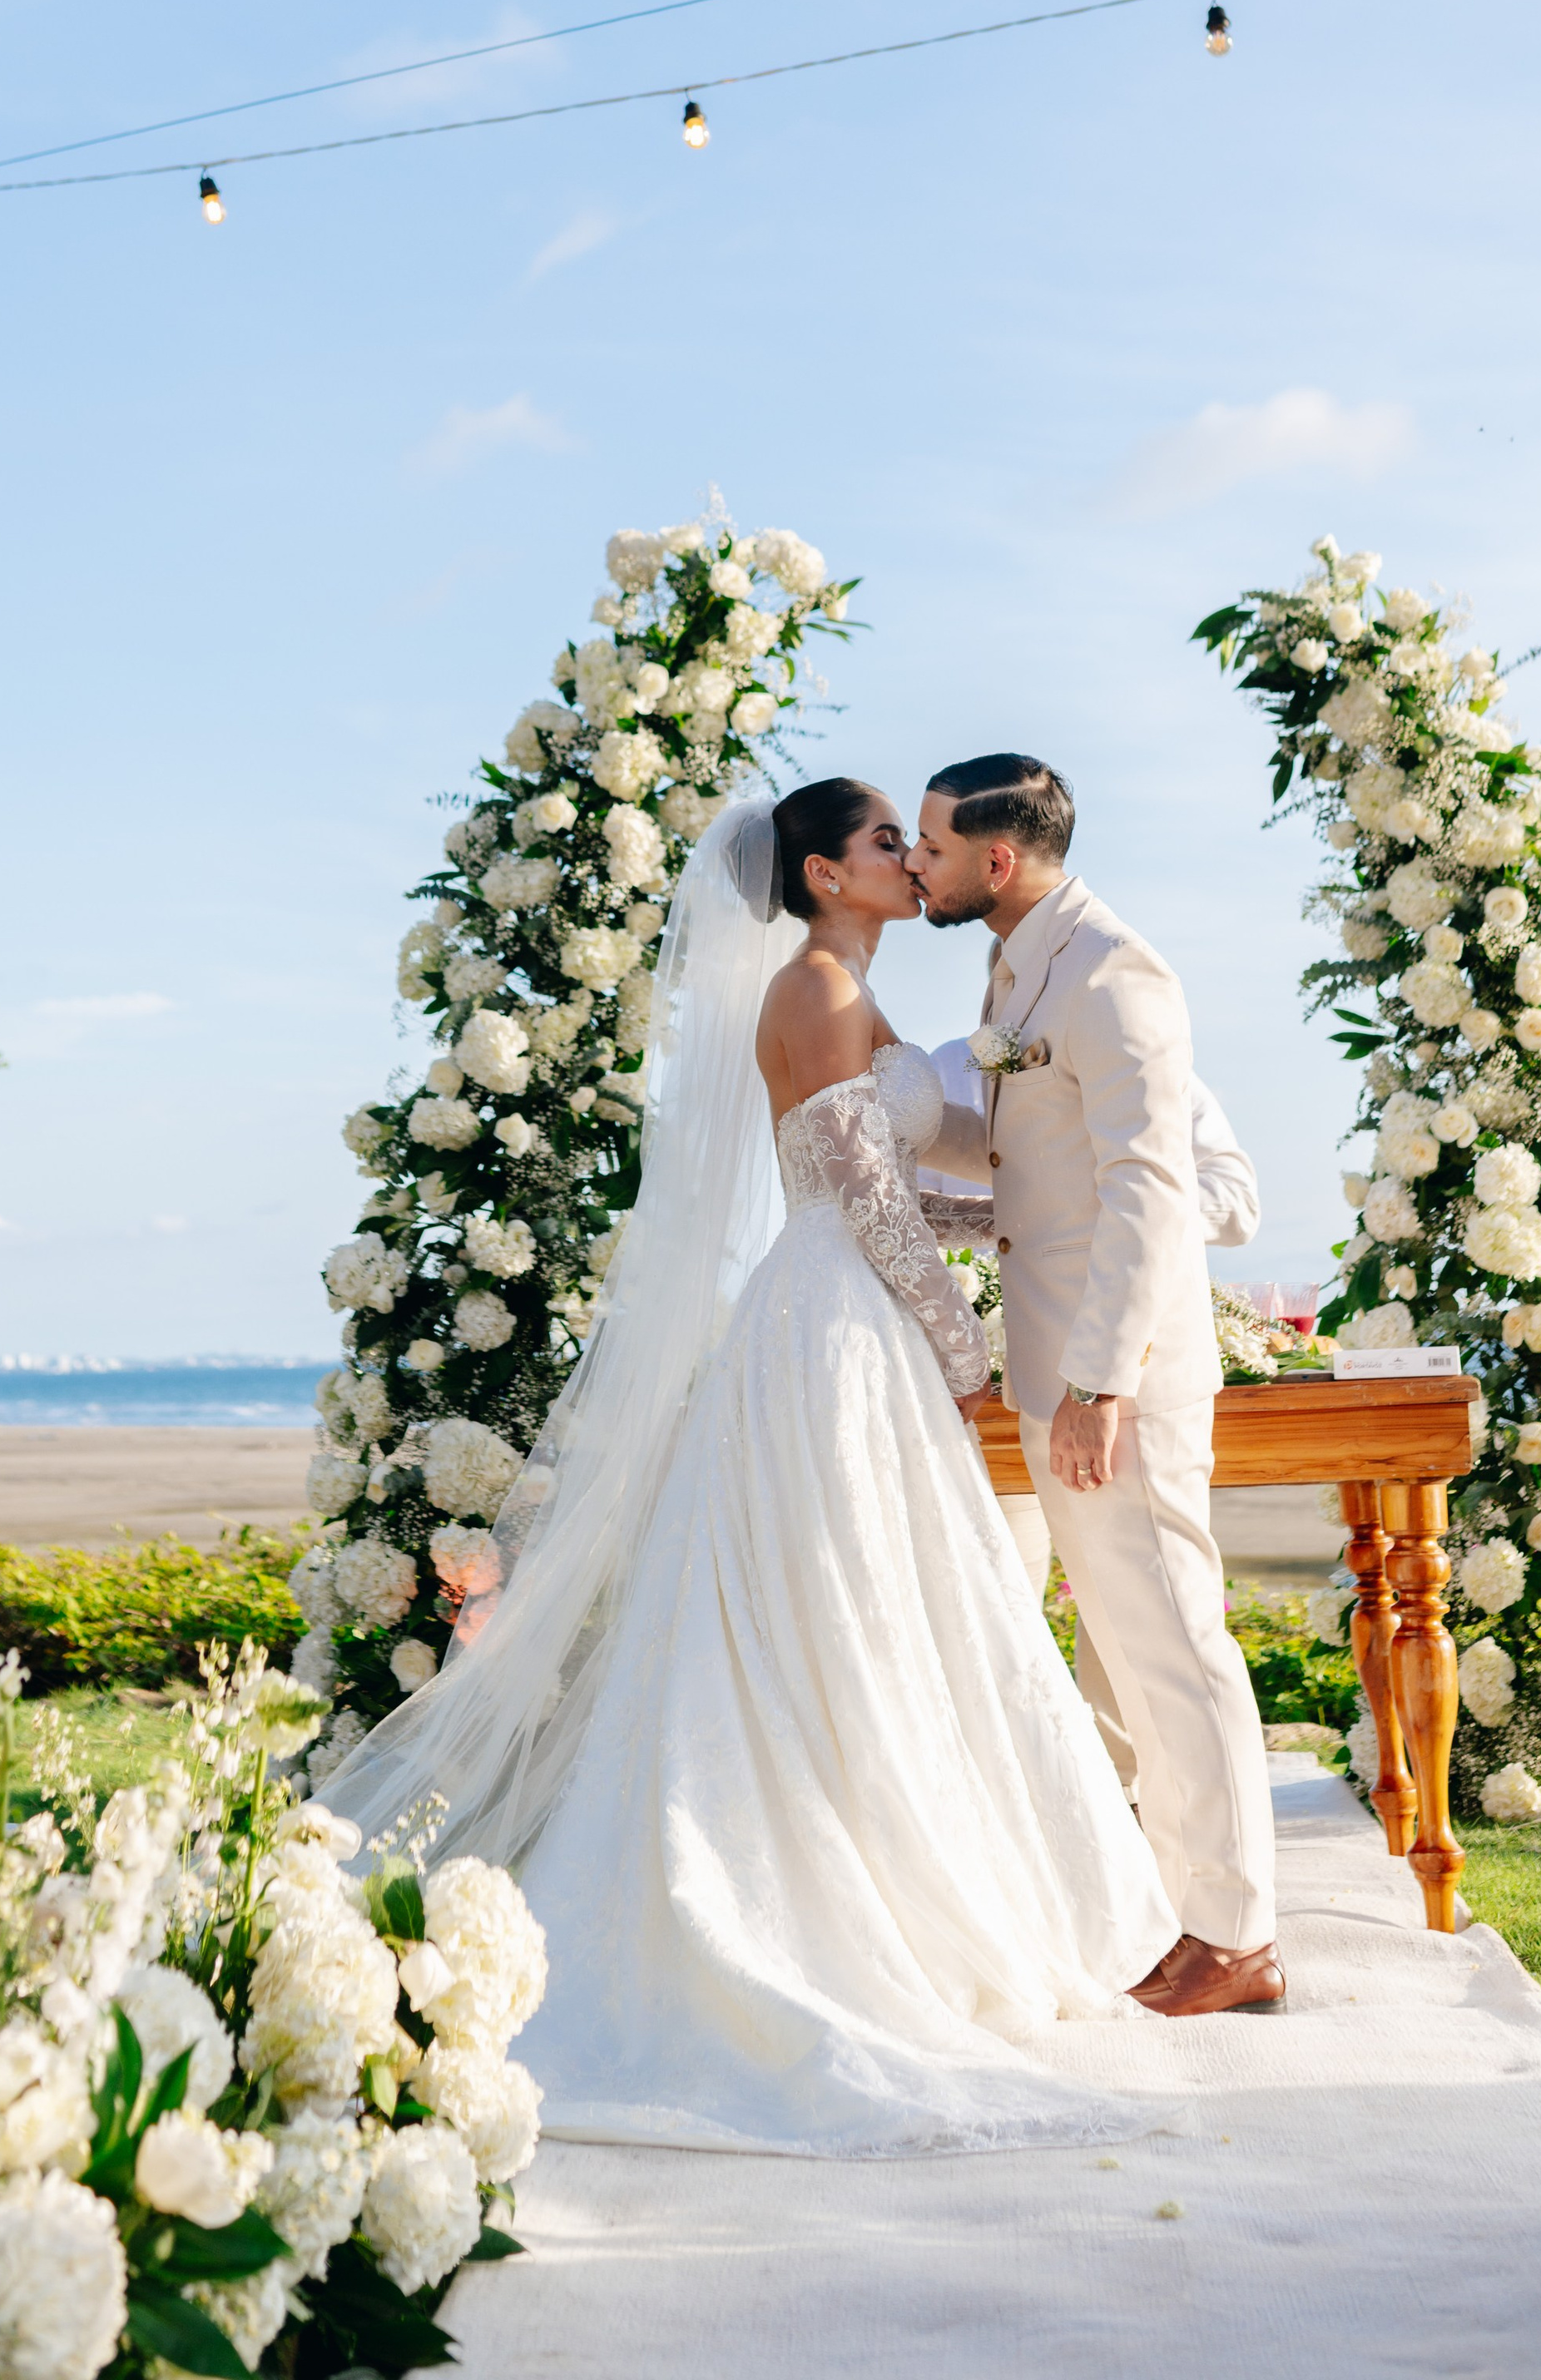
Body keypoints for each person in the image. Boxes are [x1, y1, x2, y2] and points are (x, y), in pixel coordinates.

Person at [323, 781, 1185, 2156]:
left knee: (874, 1610)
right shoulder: (821, 993)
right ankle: (838, 1899)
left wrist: (1037, 1216)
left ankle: (895, 1871)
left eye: (917, 841)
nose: (912, 860)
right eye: (886, 844)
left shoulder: (843, 989)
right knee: (848, 1611)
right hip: (842, 1329)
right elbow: (869, 1201)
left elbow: (914, 1180)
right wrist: (968, 1359)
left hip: (845, 1313)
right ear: (825, 873)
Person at [910, 755, 1281, 2018]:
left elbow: (1150, 1185)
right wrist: (899, 1117)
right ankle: (1198, 1918)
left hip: (1116, 1372)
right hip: (1055, 1357)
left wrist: (1102, 1383)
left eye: (935, 849)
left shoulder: (1118, 971)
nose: (920, 866)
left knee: (1173, 1644)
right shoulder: (1023, 965)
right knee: (1131, 1644)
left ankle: (1239, 1937)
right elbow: (1036, 1152)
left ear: (996, 861)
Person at [919, 1039, 1260, 1799]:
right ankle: (995, 1798)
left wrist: (1112, 1213)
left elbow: (1236, 1202)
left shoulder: (1142, 1068)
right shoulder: (942, 1072)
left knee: (1126, 1608)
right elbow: (890, 1206)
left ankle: (1124, 1797)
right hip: (963, 1386)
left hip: (1113, 1382)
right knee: (987, 1600)